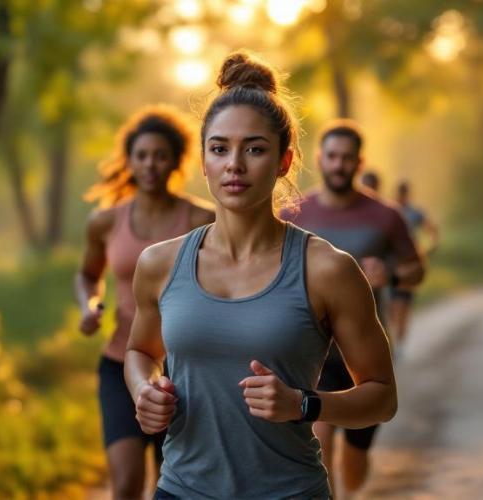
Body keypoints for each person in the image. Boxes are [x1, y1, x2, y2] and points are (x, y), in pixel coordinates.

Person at [124, 50, 397, 500]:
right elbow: (140, 350)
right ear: (204, 161)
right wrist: (143, 390)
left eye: (254, 148)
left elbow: (383, 397)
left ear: (284, 162)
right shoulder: (159, 264)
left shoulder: (328, 269)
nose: (234, 164)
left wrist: (303, 404)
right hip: (181, 490)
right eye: (219, 149)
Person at [76, 105, 214, 499]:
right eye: (141, 155)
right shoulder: (104, 222)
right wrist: (89, 305)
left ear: (176, 161)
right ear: (129, 161)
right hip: (121, 363)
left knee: (170, 486)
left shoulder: (201, 220)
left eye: (160, 155)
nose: (150, 164)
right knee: (125, 483)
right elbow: (87, 274)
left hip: (184, 371)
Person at [284, 119, 425, 497]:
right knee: (320, 439)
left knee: (355, 457)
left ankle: (352, 491)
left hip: (365, 351)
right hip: (314, 350)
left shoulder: (385, 216)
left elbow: (417, 269)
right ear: (319, 158)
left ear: (359, 162)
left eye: (347, 158)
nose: (339, 164)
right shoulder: (293, 213)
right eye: (332, 156)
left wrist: (390, 275)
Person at [388, 180, 440, 349]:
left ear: (406, 193)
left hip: (409, 266)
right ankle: (393, 341)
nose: (400, 196)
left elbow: (432, 230)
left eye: (403, 193)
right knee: (391, 307)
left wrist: (426, 250)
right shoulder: (390, 210)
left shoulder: (414, 213)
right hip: (391, 265)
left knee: (402, 305)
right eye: (399, 192)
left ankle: (399, 344)